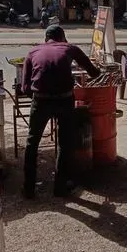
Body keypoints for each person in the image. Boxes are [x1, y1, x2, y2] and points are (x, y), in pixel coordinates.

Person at [22, 25, 100, 199]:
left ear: (45, 39)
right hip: (64, 100)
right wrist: (96, 72)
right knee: (65, 144)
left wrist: (39, 96)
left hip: (40, 100)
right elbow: (93, 71)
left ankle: (28, 189)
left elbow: (25, 87)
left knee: (32, 142)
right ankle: (60, 188)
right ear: (63, 38)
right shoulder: (69, 48)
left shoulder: (32, 52)